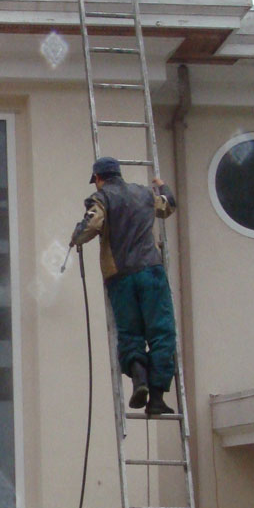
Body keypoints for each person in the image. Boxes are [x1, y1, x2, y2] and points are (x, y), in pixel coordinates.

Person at [70, 156, 179, 415]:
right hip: (151, 271)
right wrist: (162, 186)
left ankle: (139, 380)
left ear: (98, 178)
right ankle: (157, 398)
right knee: (162, 332)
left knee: (130, 334)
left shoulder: (101, 198)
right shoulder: (144, 194)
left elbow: (91, 225)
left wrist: (75, 238)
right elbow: (168, 205)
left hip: (120, 277)